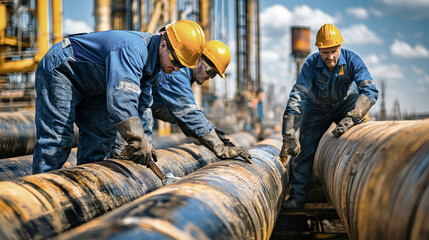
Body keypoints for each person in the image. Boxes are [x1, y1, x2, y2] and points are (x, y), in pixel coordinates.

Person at [32, 20, 206, 174]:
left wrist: (145, 141)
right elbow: (122, 98)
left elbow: (142, 106)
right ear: (163, 46)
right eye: (175, 62)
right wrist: (136, 139)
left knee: (101, 137)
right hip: (64, 70)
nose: (176, 69)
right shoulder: (133, 49)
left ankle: (86, 189)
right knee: (58, 139)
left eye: (181, 66)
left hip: (95, 86)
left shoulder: (154, 69)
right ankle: (36, 197)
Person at [280, 23, 379, 209]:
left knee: (359, 137)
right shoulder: (310, 64)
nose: (330, 56)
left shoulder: (352, 60)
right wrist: (289, 133)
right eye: (325, 52)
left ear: (340, 47)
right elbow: (298, 96)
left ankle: (358, 195)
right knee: (304, 152)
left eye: (334, 51)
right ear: (318, 50)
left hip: (345, 106)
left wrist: (353, 116)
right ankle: (297, 198)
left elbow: (370, 90)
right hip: (316, 109)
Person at [111, 40, 252, 163]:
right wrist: (221, 149)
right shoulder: (176, 75)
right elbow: (189, 114)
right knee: (113, 160)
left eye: (214, 75)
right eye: (210, 71)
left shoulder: (184, 77)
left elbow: (181, 116)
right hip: (120, 118)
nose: (210, 77)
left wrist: (210, 131)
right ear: (199, 60)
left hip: (130, 118)